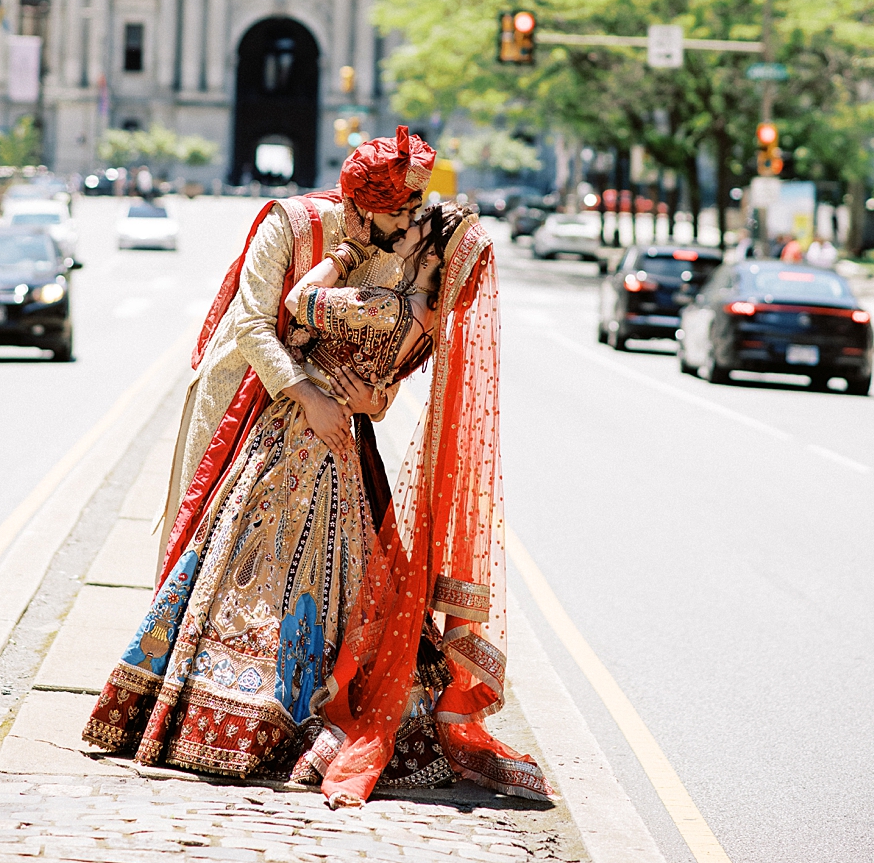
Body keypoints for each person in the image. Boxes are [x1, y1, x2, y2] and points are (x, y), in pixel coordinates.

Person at [82, 127, 548, 808]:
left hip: (336, 431)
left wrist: (376, 399)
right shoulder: (293, 223)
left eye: (419, 209)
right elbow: (251, 322)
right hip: (253, 392)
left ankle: (317, 708)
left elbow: (391, 351)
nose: (413, 219)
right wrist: (304, 393)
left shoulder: (400, 248)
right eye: (402, 210)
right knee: (225, 542)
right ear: (363, 208)